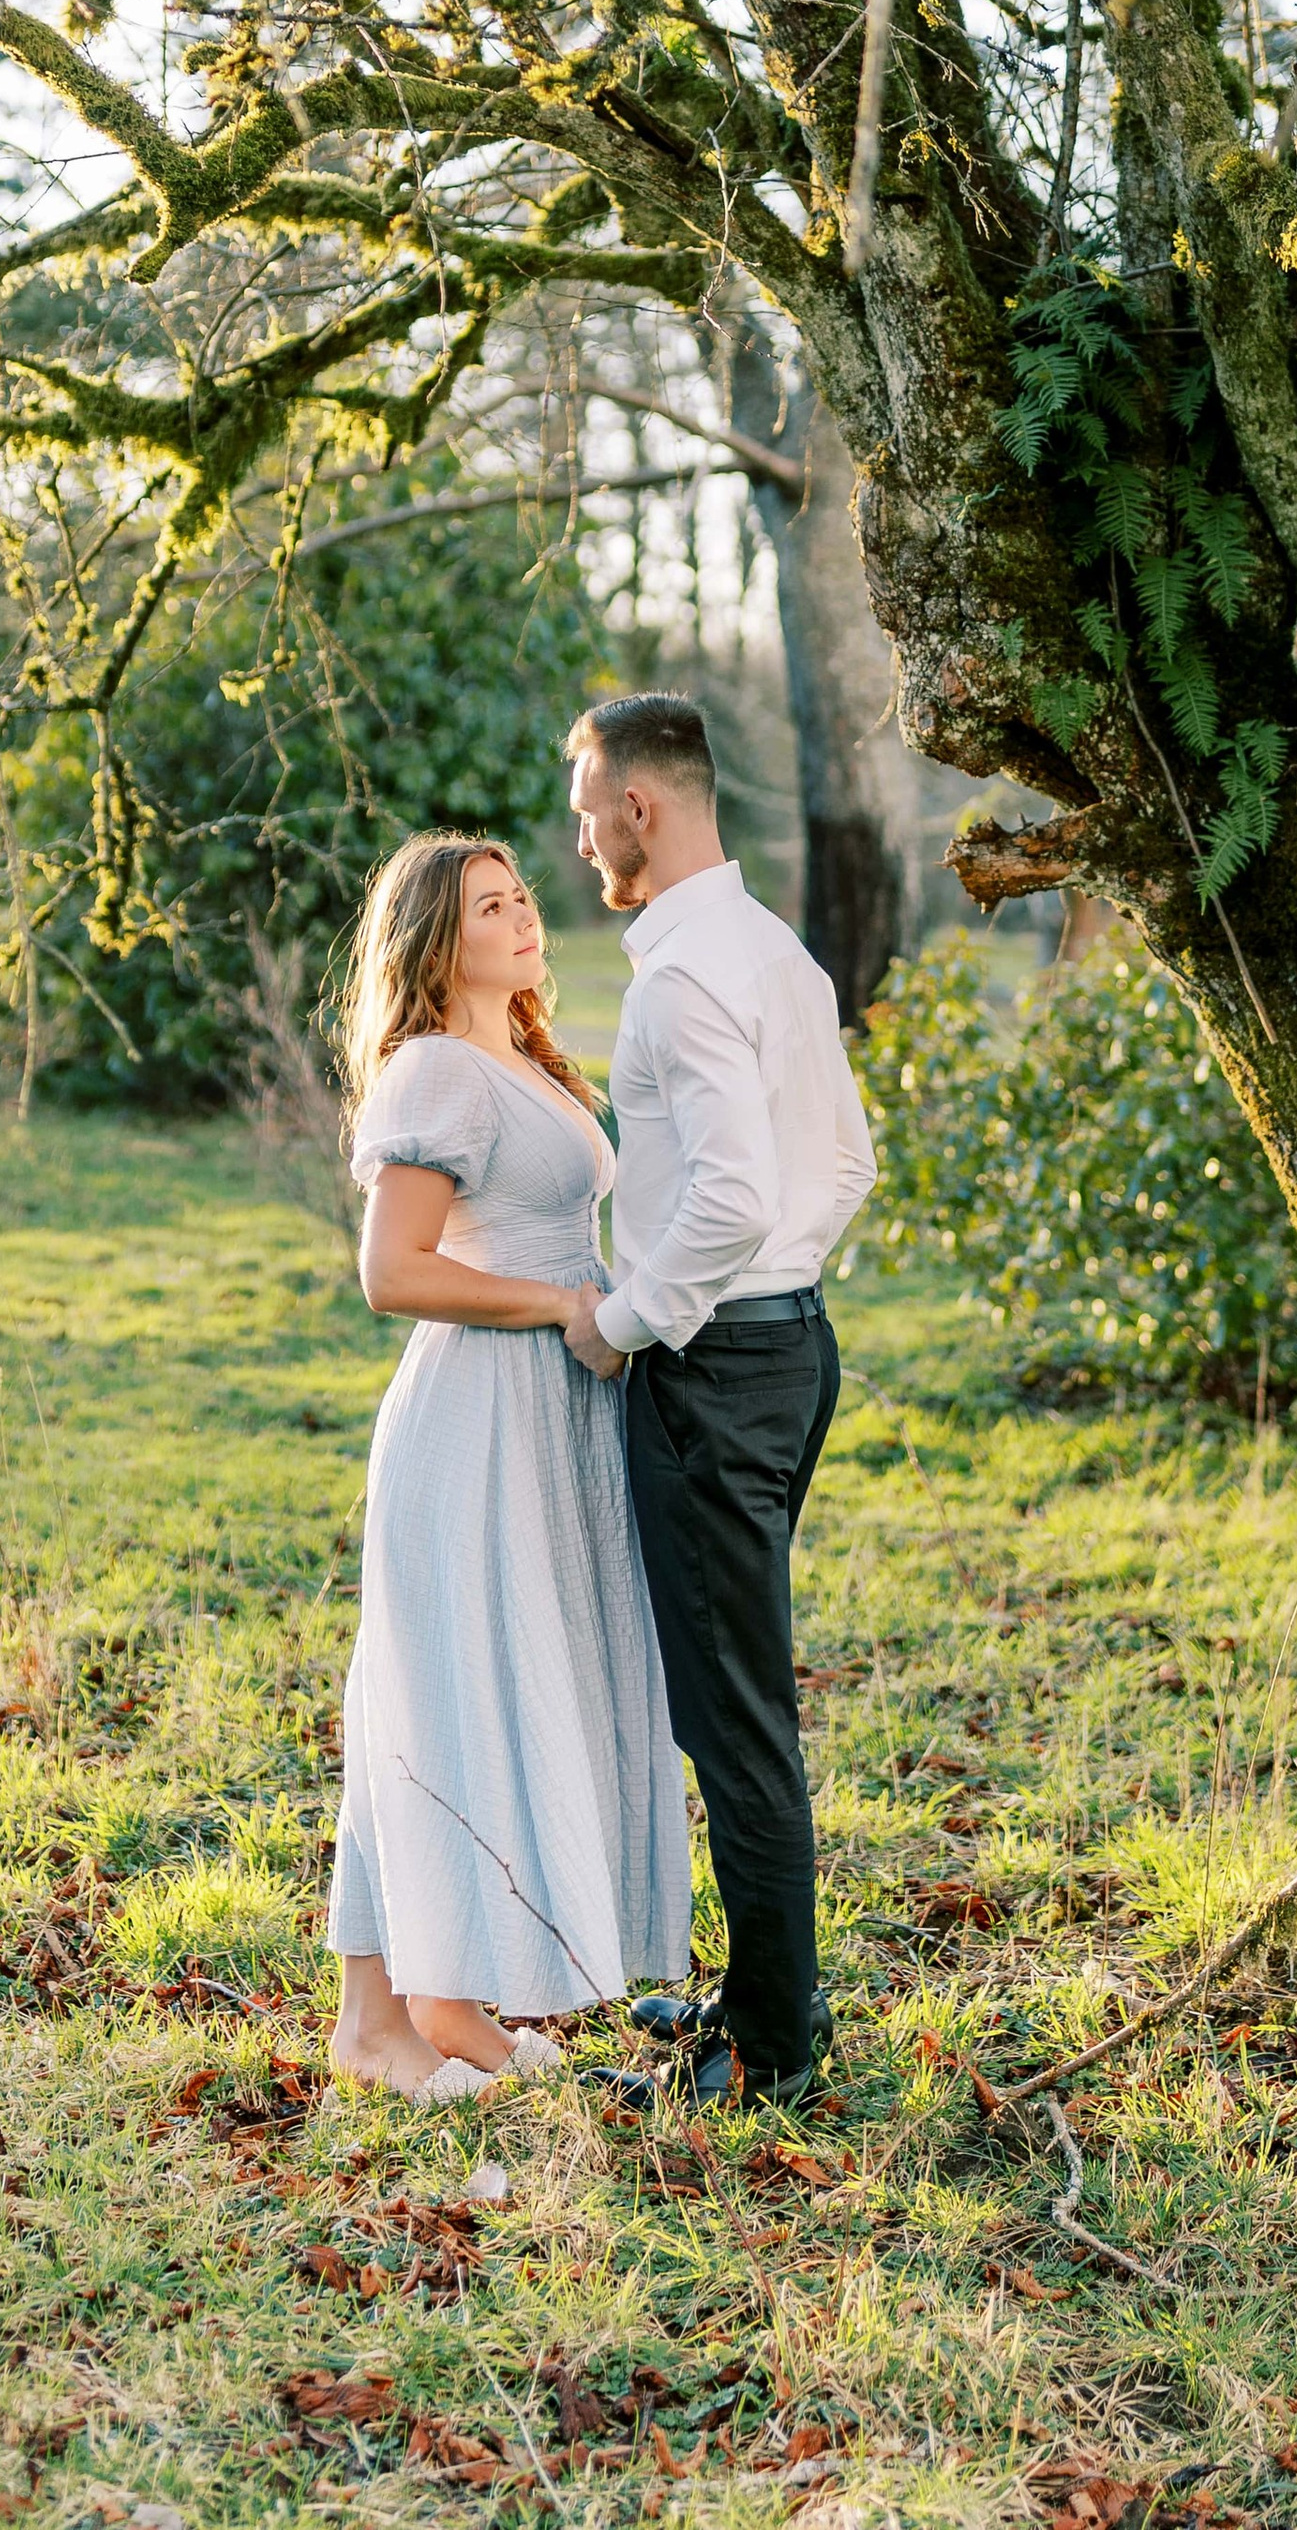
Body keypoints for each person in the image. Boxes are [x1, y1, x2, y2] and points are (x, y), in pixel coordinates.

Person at [325, 831, 692, 2102]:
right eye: (492, 905)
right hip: (478, 1414)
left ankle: (380, 2026)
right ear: (440, 940)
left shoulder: (521, 1055)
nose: (526, 915)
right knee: (456, 1687)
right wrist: (559, 1307)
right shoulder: (433, 1070)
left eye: (524, 893)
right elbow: (395, 1274)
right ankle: (438, 2001)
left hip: (556, 1410)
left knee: (463, 1681)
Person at [561, 693, 876, 2106]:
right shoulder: (778, 955)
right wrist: (781, 1286)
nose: (579, 841)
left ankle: (768, 2052)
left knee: (736, 1718)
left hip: (715, 1374)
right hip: (792, 1349)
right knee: (733, 1698)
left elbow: (737, 1190)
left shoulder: (684, 976)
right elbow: (845, 1167)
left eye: (586, 811)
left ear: (641, 805)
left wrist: (628, 1322)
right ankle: (761, 1999)